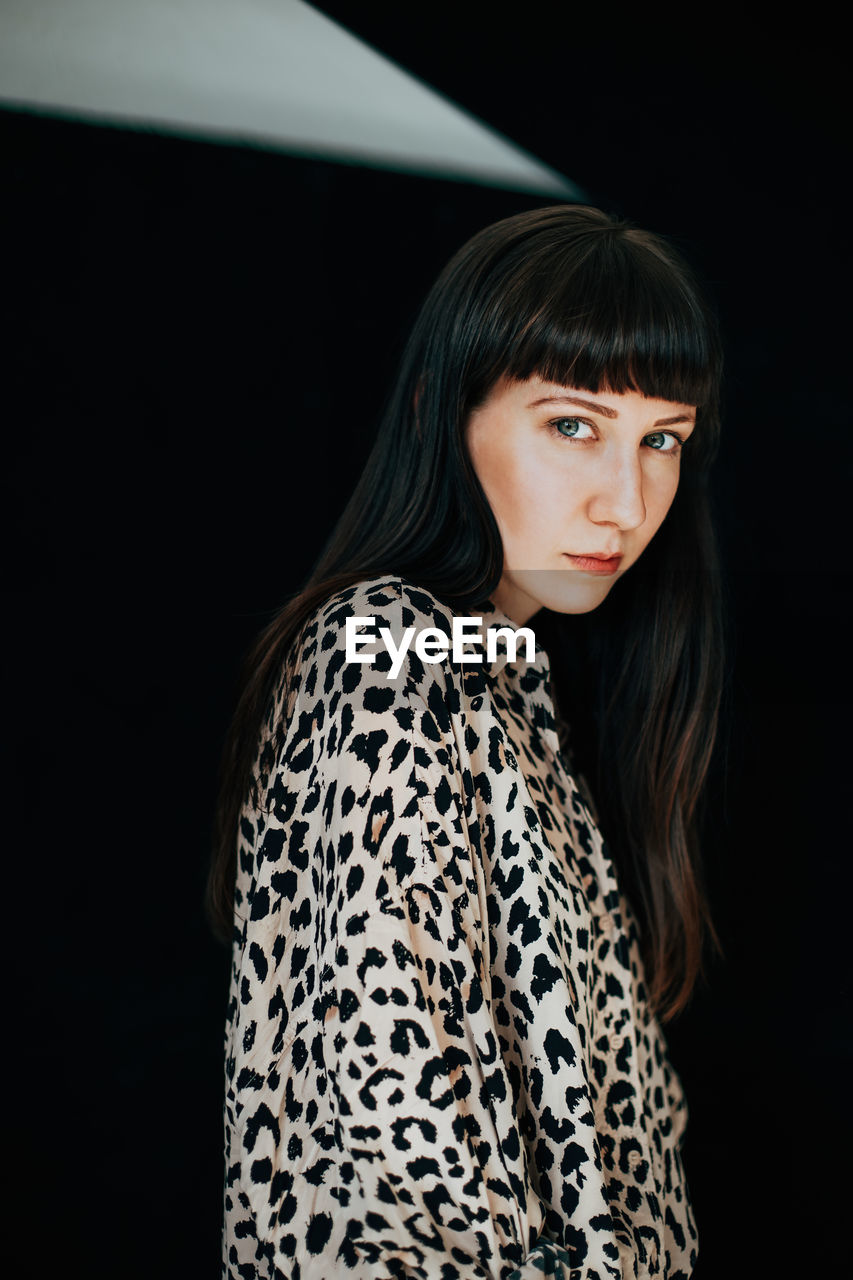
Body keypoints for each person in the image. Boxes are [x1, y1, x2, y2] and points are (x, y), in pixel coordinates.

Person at [207, 204, 726, 1279]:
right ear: (443, 414)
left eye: (660, 439)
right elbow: (403, 1140)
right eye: (572, 424)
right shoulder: (382, 657)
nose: (625, 500)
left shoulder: (502, 687)